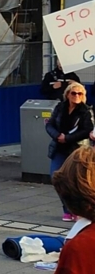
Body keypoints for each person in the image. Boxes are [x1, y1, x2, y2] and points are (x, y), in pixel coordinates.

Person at [45, 81, 93, 222]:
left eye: (80, 93)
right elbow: (49, 125)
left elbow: (87, 130)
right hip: (59, 148)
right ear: (67, 94)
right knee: (56, 177)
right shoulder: (60, 108)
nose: (76, 96)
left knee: (75, 180)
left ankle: (77, 210)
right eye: (73, 93)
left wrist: (67, 138)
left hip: (76, 150)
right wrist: (57, 136)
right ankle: (67, 209)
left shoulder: (86, 111)